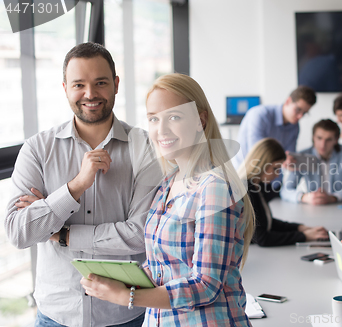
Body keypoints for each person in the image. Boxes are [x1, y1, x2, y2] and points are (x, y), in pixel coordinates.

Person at [4, 42, 162, 327]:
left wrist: (60, 233)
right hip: (56, 315)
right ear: (65, 87)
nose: (90, 94)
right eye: (79, 84)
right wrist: (75, 187)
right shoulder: (38, 149)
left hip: (125, 316)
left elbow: (140, 235)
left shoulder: (146, 147)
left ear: (115, 84)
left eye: (100, 82)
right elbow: (19, 232)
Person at [80, 73, 255, 327]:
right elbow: (163, 267)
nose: (161, 130)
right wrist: (120, 279)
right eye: (153, 119)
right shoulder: (168, 182)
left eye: (174, 117)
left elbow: (206, 286)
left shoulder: (215, 187)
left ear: (200, 121)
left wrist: (126, 296)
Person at [239, 138, 328, 246]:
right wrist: (304, 236)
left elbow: (267, 223)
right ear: (262, 164)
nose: (277, 174)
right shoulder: (246, 191)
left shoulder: (258, 185)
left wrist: (300, 228)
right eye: (275, 168)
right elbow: (263, 238)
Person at [233, 85, 317, 176]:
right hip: (247, 176)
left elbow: (288, 156)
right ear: (288, 101)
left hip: (272, 180)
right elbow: (257, 152)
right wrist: (284, 158)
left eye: (304, 113)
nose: (300, 116)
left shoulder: (295, 127)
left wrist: (290, 161)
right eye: (298, 110)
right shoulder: (260, 115)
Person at [281, 119, 342, 205]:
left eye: (328, 140)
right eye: (319, 138)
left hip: (339, 206)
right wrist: (304, 197)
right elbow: (285, 190)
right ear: (313, 137)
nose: (323, 145)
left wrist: (333, 198)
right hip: (313, 207)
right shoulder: (303, 156)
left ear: (336, 140)